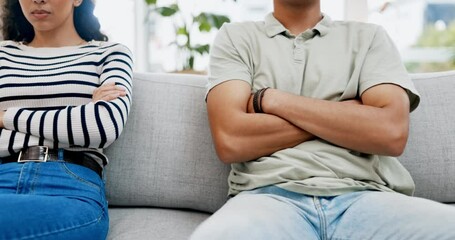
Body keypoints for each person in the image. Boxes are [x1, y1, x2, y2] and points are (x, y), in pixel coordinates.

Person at [190, 0, 455, 239]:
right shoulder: (236, 37)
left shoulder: (369, 37)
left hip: (365, 197)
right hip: (267, 198)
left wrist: (270, 99)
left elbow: (391, 132)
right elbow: (230, 140)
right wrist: (347, 115)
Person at [0, 0, 132, 239]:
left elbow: (102, 126)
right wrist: (81, 112)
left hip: (70, 184)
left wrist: (6, 117)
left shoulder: (110, 53)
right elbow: (88, 122)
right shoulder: (2, 55)